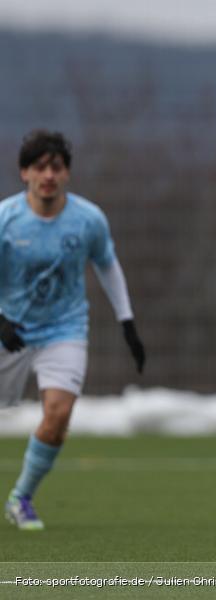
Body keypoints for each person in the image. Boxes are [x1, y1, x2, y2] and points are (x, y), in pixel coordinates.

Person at [1, 130, 145, 531]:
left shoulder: (88, 220)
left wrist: (127, 322)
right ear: (24, 172)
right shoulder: (6, 220)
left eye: (56, 167)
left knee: (59, 413)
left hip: (63, 329)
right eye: (40, 167)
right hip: (7, 328)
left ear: (66, 174)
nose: (48, 175)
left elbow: (107, 265)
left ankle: (20, 498)